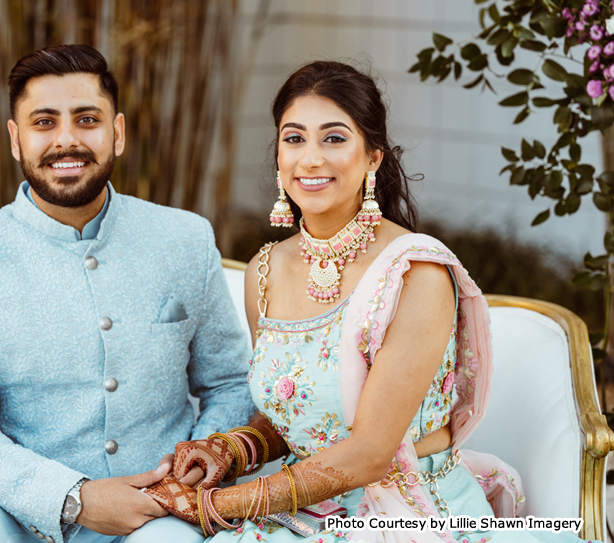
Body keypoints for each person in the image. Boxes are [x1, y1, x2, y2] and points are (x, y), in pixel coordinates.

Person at [143, 61, 603, 543]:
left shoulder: (415, 272)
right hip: (300, 511)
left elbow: (368, 453)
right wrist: (234, 451)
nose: (311, 159)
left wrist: (217, 504)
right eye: (294, 138)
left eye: (334, 138)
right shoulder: (265, 271)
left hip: (406, 515)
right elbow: (300, 417)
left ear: (373, 157)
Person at [0, 44, 256, 543]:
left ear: (116, 133)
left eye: (87, 119)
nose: (67, 140)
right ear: (16, 140)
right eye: (44, 123)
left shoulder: (184, 239)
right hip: (15, 510)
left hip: (157, 508)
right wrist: (72, 497)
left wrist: (201, 459)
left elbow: (228, 384)